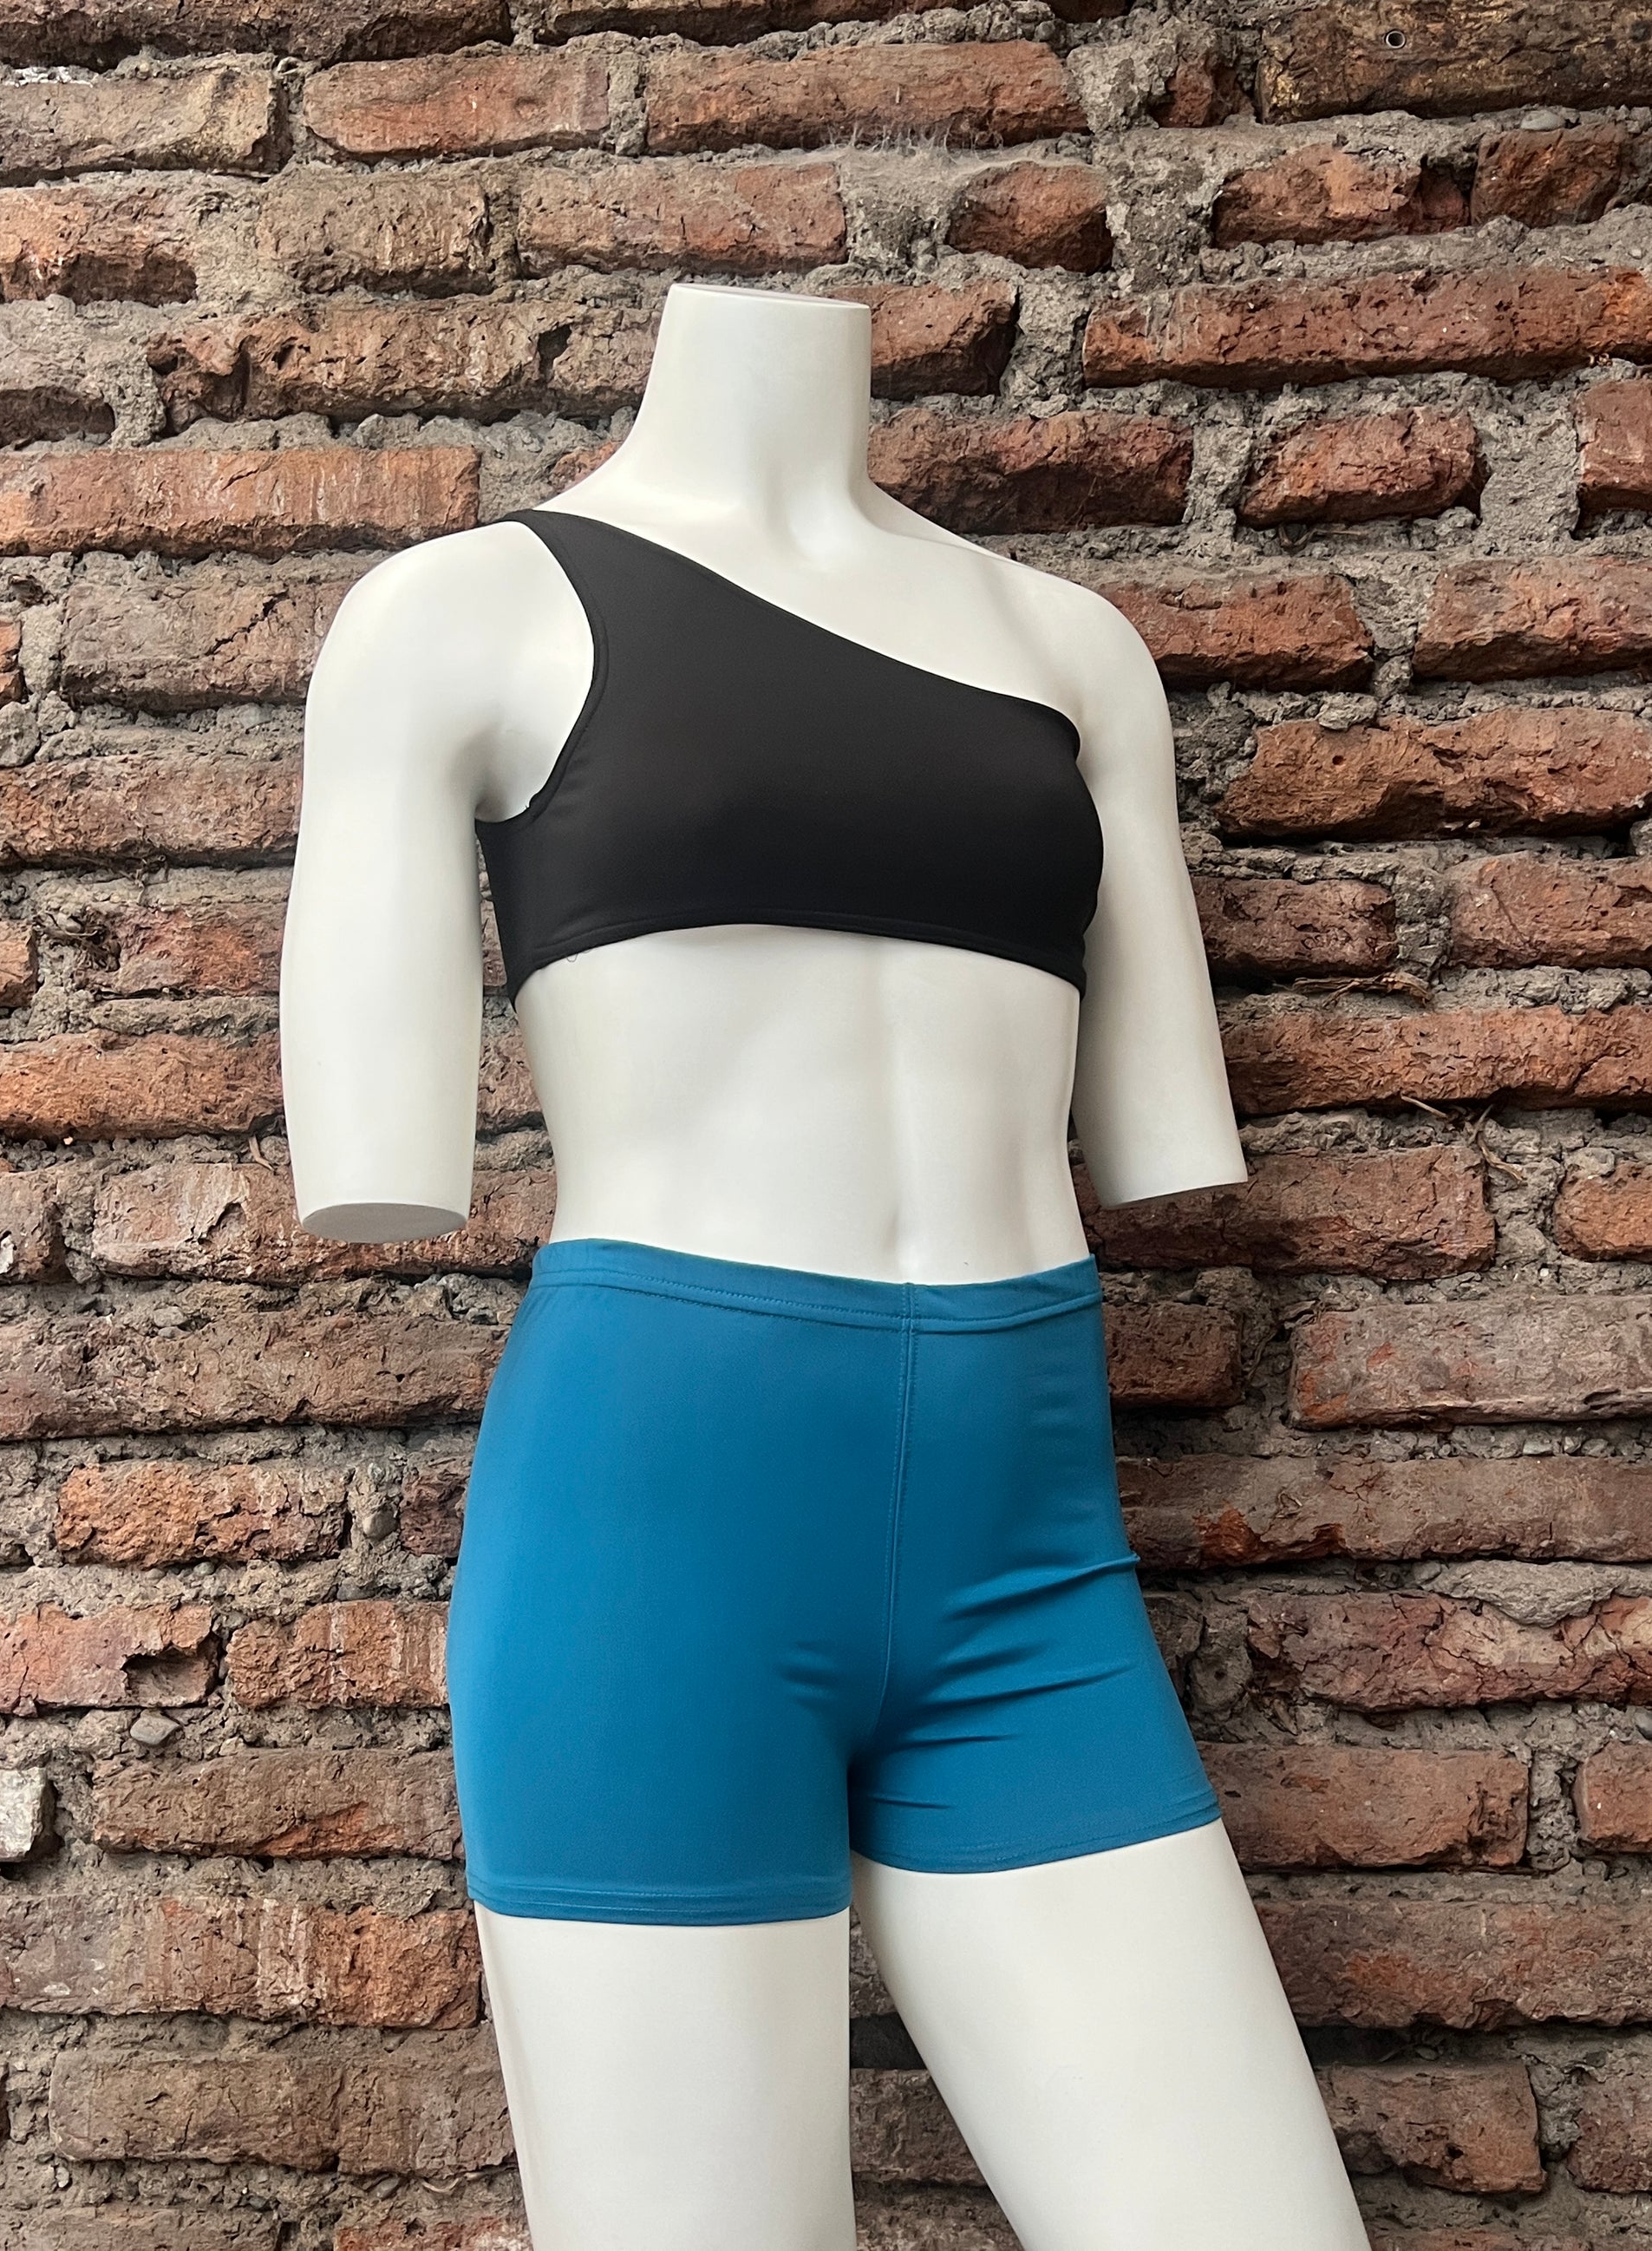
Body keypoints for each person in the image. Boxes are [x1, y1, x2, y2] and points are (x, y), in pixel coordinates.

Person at [280, 279, 1370, 2251]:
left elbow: (1157, 1124)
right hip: (657, 1547)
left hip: (1028, 1553)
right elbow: (378, 1151)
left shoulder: (1067, 645)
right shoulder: (457, 616)